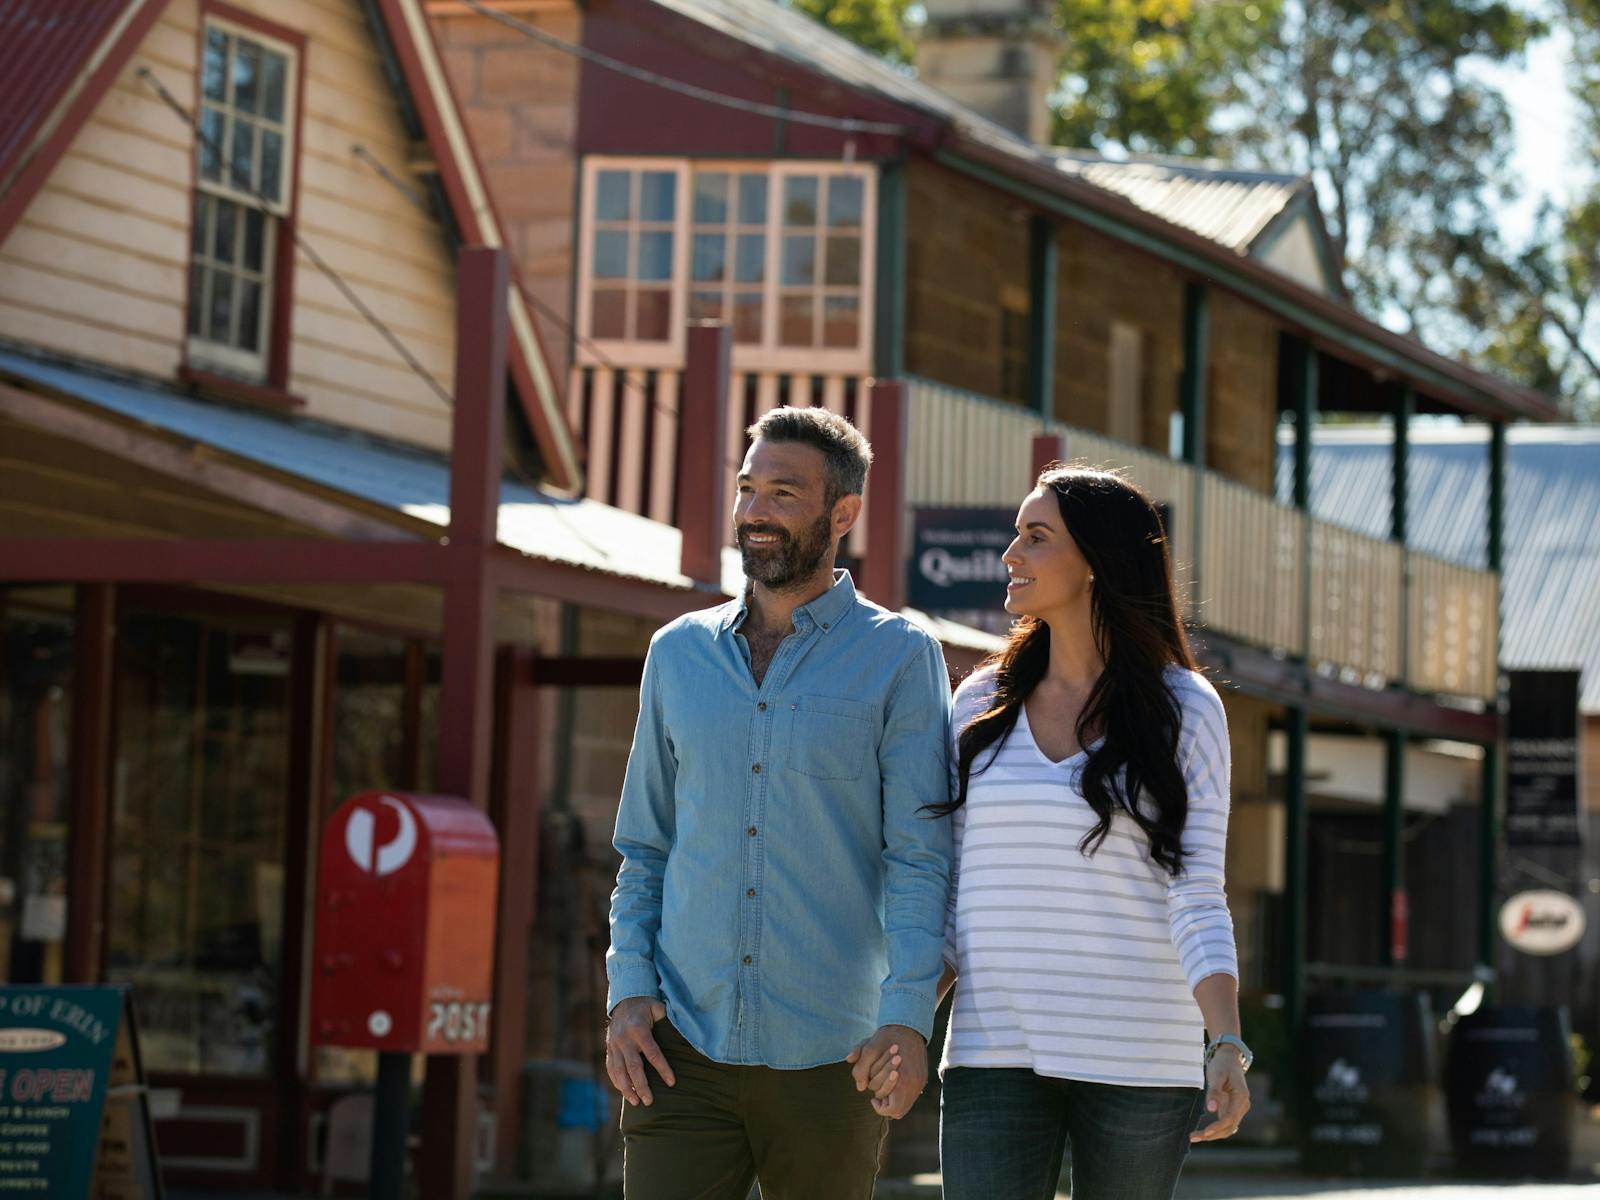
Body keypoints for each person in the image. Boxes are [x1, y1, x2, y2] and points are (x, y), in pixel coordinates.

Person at [863, 465, 1250, 1200]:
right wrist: (906, 1021)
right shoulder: (979, 704)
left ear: (1099, 565)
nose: (1010, 554)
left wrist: (1225, 1039)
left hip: (1141, 1060)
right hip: (992, 1052)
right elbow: (952, 893)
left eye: (1036, 538)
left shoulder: (1185, 709)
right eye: (1015, 534)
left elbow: (1196, 893)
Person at [604, 405, 954, 1199]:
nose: (755, 512)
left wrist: (906, 1016)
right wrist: (627, 990)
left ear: (844, 514)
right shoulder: (677, 654)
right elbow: (645, 850)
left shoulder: (900, 659)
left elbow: (921, 858)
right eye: (746, 489)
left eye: (783, 494)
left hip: (832, 1056)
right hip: (679, 1049)